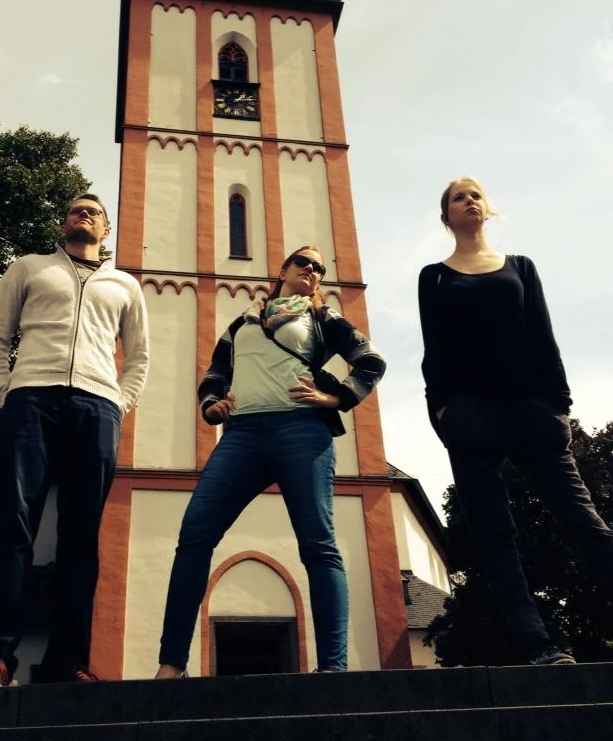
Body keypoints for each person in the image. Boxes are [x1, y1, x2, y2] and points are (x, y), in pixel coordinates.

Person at [155, 245, 386, 678]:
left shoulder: (322, 317)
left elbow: (371, 360)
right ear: (282, 270)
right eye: (305, 263)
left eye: (320, 268)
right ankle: (172, 664)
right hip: (242, 435)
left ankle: (332, 669)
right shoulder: (244, 321)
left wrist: (337, 396)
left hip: (302, 430)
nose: (313, 271)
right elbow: (215, 372)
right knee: (194, 535)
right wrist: (211, 405)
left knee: (318, 545)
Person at [418, 176, 613, 665]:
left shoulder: (521, 267)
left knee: (584, 521)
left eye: (476, 194)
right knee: (495, 535)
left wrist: (559, 406)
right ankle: (539, 644)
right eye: (458, 197)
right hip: (469, 416)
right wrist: (443, 413)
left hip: (531, 410)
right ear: (447, 217)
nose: (470, 200)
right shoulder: (434, 276)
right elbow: (434, 349)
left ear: (489, 209)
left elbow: (544, 338)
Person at [0, 193, 149, 687]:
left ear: (106, 231)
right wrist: (7, 392)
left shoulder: (124, 285)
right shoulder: (29, 268)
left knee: (81, 537)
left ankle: (66, 662)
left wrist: (118, 403)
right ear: (64, 223)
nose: (82, 214)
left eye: (93, 211)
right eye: (74, 209)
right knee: (17, 527)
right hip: (31, 400)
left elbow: (139, 358)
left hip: (97, 407)